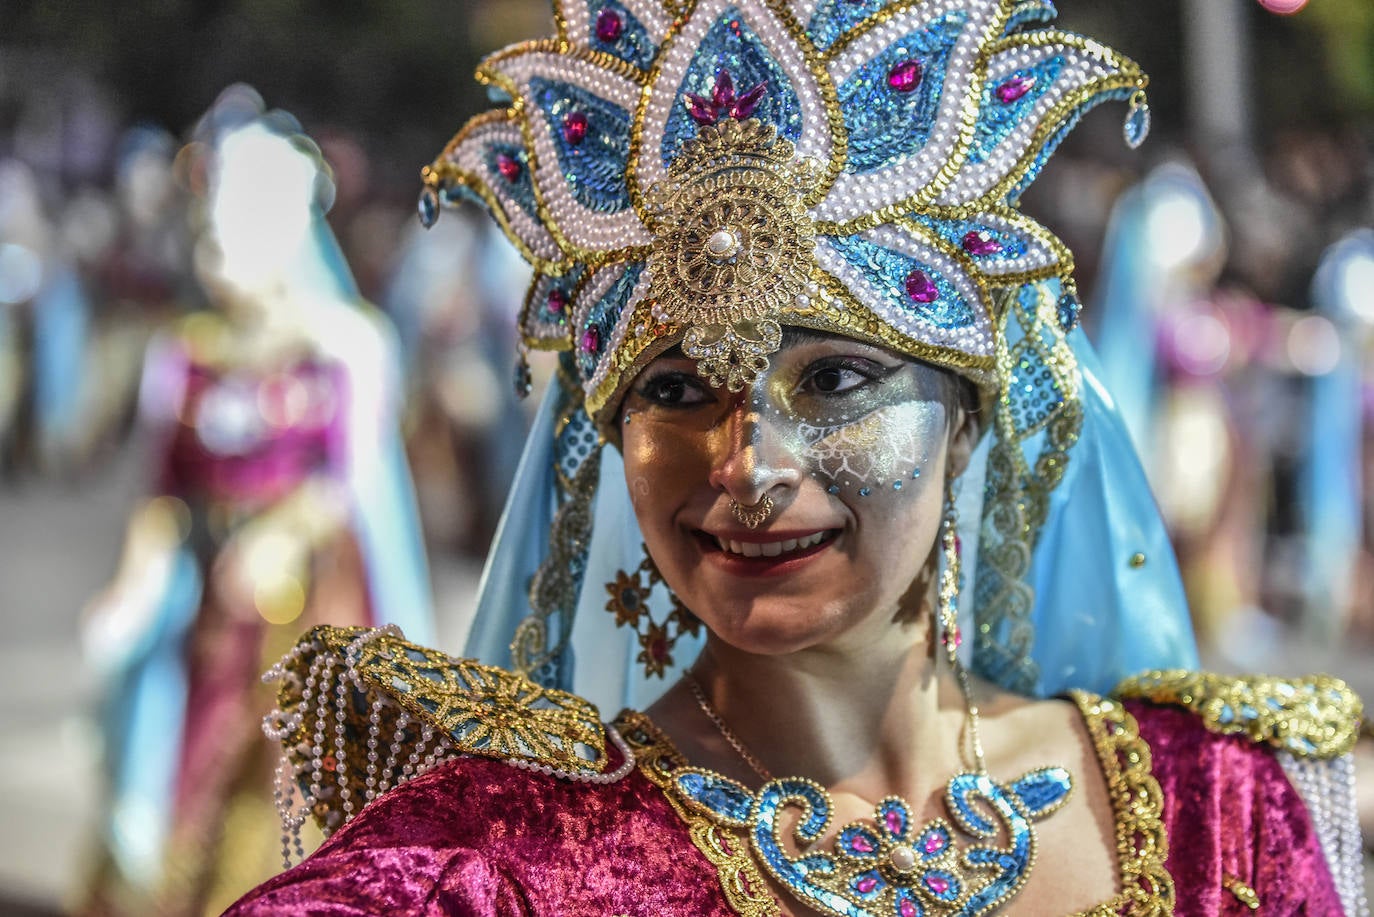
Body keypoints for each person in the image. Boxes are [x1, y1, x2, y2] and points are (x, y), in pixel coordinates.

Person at [224, 2, 1365, 915]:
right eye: (676, 391)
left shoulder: (1219, 809)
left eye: (835, 380)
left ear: (967, 417)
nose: (746, 465)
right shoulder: (494, 862)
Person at [79, 92, 434, 916]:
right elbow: (162, 492)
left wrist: (284, 534)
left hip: (310, 601)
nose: (220, 242)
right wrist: (134, 583)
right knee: (183, 760)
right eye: (212, 224)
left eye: (239, 220)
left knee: (294, 775)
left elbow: (351, 481)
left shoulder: (343, 345)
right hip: (211, 602)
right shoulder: (185, 353)